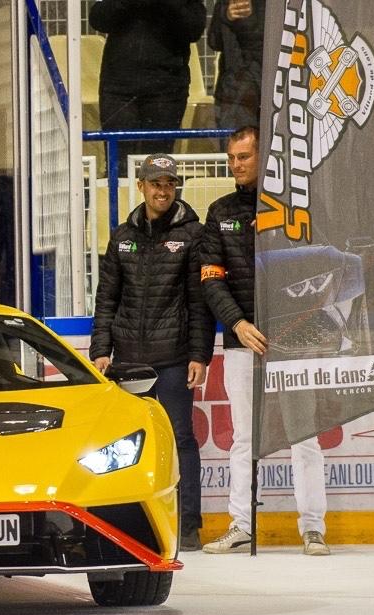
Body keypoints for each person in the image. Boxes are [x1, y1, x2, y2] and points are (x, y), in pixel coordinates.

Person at [199, 126, 329, 556]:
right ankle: (241, 525)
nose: (236, 165)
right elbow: (211, 280)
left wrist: (296, 322)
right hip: (242, 342)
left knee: (303, 436)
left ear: (263, 157)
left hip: (295, 339)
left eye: (243, 157)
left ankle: (313, 529)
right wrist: (237, 324)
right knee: (243, 439)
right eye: (232, 158)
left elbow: (315, 270)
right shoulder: (218, 212)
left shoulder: (294, 205)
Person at [90, 153, 214, 552]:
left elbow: (199, 302)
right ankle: (126, 521)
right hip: (128, 361)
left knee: (181, 439)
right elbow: (106, 297)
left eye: (170, 184)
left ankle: (190, 525)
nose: (163, 190)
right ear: (141, 186)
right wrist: (100, 349)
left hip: (176, 357)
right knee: (128, 443)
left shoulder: (193, 235)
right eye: (156, 183)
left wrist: (200, 355)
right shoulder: (121, 235)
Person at [89, 0, 207, 169]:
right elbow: (98, 19)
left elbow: (194, 28)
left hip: (166, 90)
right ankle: (120, 196)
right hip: (118, 88)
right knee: (119, 165)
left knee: (157, 167)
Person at [208, 0, 264, 131]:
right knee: (235, 148)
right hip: (235, 92)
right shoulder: (228, 4)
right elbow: (214, 41)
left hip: (275, 88)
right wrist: (226, 17)